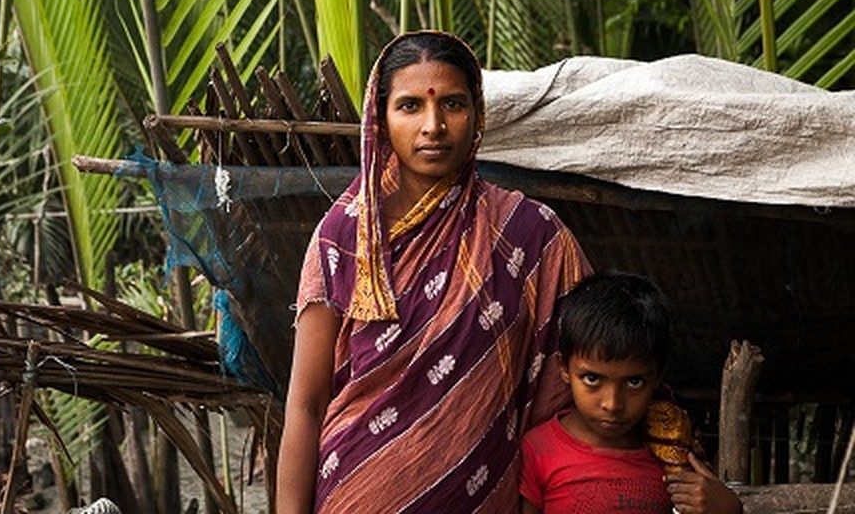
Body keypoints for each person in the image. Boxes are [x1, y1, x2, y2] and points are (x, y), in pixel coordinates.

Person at [277, 31, 591, 513]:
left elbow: (601, 352)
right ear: (379, 118)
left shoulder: (529, 235)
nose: (434, 125)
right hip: (357, 491)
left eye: (452, 104)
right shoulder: (344, 235)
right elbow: (305, 404)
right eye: (409, 106)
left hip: (480, 494)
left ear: (477, 114)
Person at [519, 272, 742, 514]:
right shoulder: (539, 450)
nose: (613, 404)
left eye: (634, 382)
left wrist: (729, 508)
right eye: (592, 379)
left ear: (658, 376)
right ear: (564, 368)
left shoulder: (672, 453)